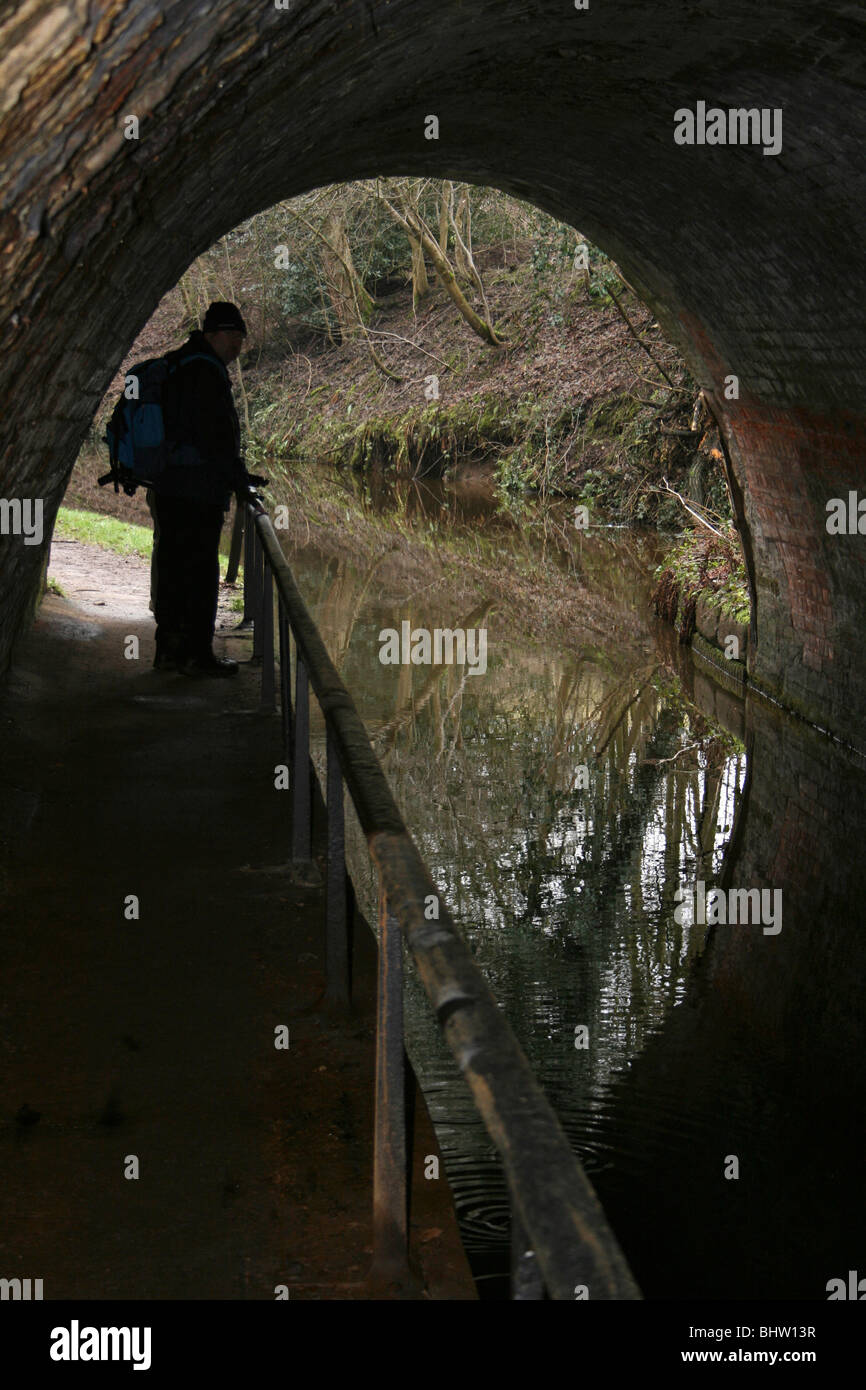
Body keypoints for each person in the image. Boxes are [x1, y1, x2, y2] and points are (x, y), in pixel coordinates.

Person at [151, 301, 252, 677]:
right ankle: (198, 655)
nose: (239, 345)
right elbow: (216, 438)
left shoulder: (180, 363)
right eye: (234, 336)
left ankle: (169, 652)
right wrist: (237, 477)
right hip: (197, 491)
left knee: (174, 568)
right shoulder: (205, 372)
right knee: (199, 571)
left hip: (171, 486)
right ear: (213, 334)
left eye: (242, 337)